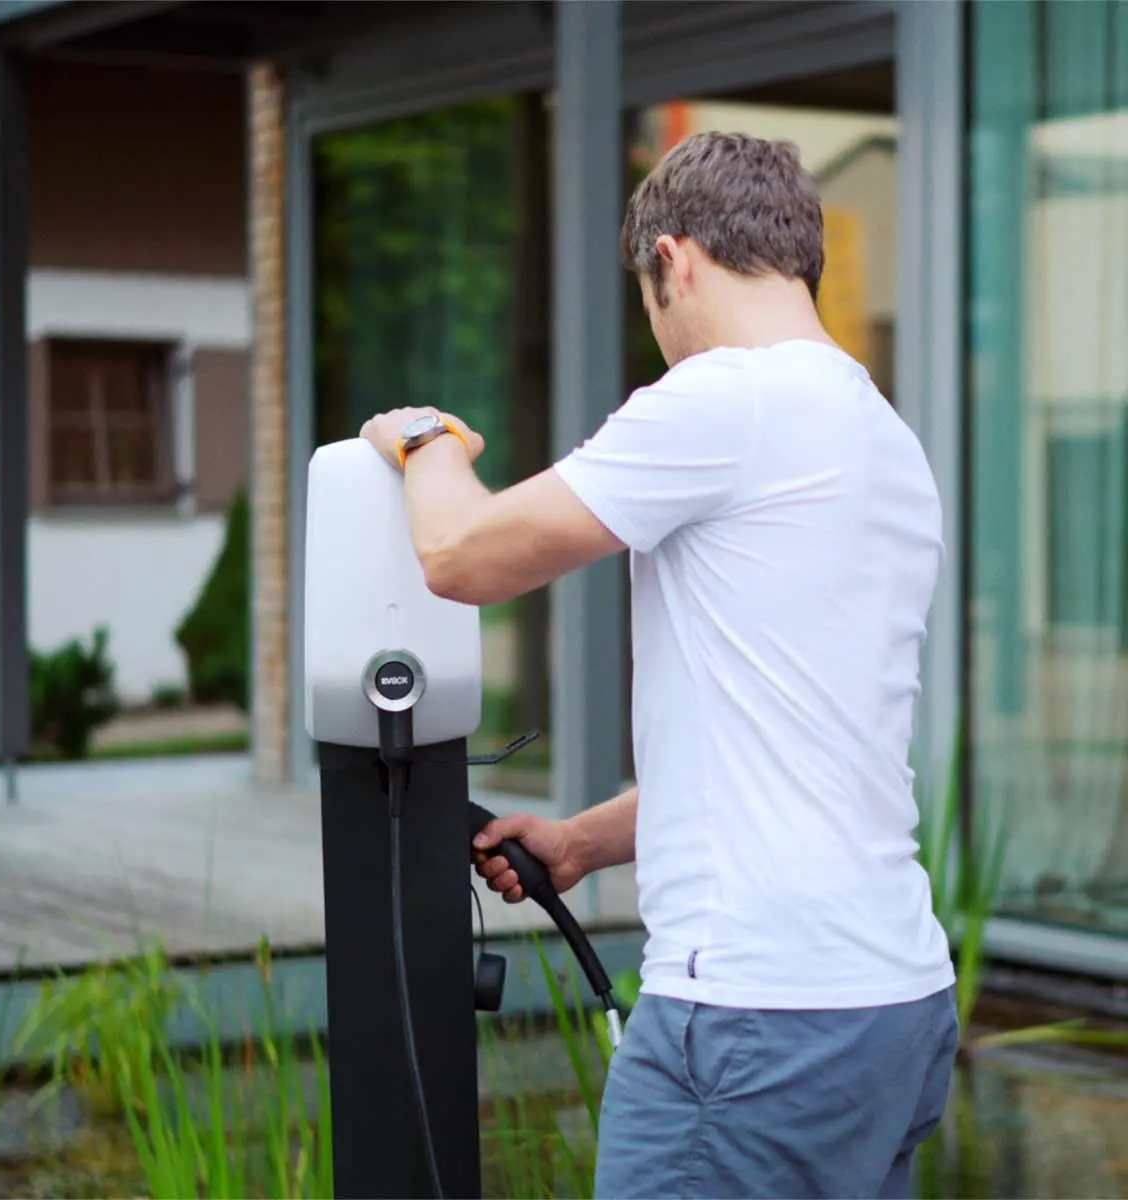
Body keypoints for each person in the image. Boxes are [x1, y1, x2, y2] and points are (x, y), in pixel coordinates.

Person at [360, 130, 957, 1200]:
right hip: (891, 1006)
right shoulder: (884, 438)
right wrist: (586, 840)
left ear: (672, 261)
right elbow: (798, 737)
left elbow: (460, 554)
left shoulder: (724, 398)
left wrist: (425, 440)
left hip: (755, 1021)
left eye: (649, 298)